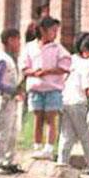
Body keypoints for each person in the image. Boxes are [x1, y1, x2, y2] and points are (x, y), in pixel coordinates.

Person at [20, 16, 71, 160]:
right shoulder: (30, 47)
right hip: (36, 88)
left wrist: (48, 71)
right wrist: (34, 72)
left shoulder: (58, 48)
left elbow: (65, 67)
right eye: (52, 30)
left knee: (51, 118)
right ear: (42, 30)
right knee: (38, 118)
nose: (55, 34)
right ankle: (37, 146)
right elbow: (24, 67)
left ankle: (49, 148)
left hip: (52, 88)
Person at [57, 32, 89, 170]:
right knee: (85, 136)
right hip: (79, 102)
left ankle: (61, 162)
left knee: (66, 135)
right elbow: (86, 86)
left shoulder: (72, 60)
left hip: (65, 99)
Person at [0, 28, 23, 174]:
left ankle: (8, 161)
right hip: (3, 100)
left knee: (11, 133)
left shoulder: (11, 59)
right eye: (17, 40)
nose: (19, 43)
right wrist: (12, 90)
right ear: (10, 40)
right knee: (2, 132)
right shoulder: (2, 59)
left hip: (11, 101)